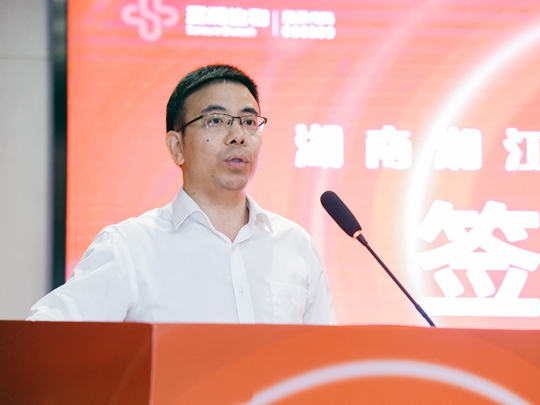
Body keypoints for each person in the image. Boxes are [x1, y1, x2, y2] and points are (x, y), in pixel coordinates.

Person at [28, 64, 337, 324]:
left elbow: (325, 359)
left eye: (248, 121)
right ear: (177, 146)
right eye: (216, 121)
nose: (238, 136)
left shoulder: (295, 245)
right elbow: (45, 336)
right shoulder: (130, 247)